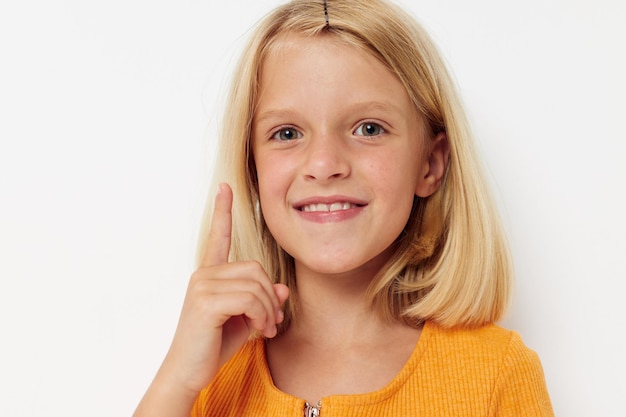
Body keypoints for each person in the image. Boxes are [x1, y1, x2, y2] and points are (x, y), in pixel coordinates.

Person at [133, 0, 554, 415]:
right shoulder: (206, 377)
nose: (323, 165)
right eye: (286, 133)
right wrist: (178, 381)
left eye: (368, 128)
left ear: (431, 163)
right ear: (252, 170)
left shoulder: (497, 374)